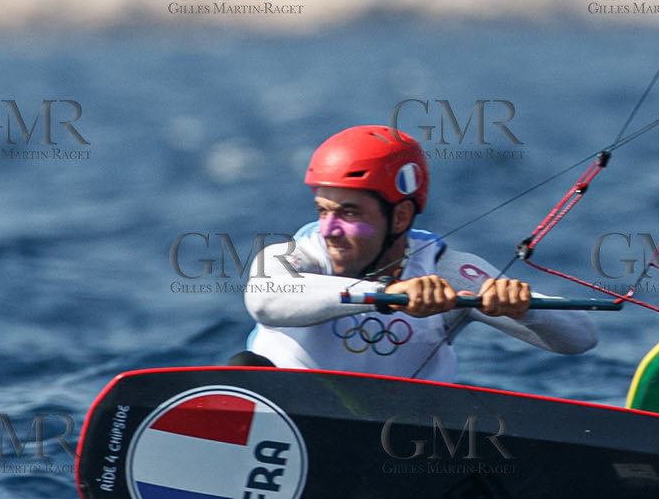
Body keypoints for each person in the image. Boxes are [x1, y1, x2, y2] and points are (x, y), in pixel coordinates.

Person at [232, 125, 596, 378]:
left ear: (401, 215)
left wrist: (524, 309)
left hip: (399, 439)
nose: (329, 229)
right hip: (286, 423)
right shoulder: (291, 258)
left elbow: (581, 338)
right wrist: (387, 295)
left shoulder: (449, 272)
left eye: (348, 213)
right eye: (322, 211)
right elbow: (265, 303)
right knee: (243, 366)